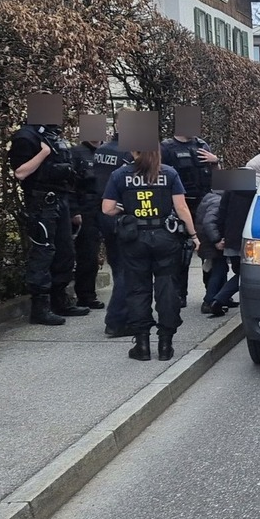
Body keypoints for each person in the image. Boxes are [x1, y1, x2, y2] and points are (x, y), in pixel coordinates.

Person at [101, 149, 200, 362]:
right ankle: (166, 345)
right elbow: (181, 207)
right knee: (167, 289)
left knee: (138, 290)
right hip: (165, 237)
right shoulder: (169, 173)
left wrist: (125, 209)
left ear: (133, 150)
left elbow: (107, 208)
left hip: (134, 239)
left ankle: (142, 345)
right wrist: (194, 235)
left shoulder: (120, 175)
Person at [7, 118, 91, 325]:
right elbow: (20, 173)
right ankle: (40, 308)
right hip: (40, 201)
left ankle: (59, 300)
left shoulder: (53, 135)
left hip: (60, 199)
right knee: (43, 252)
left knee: (65, 251)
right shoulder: (25, 137)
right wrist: (43, 153)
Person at [206, 153, 260, 316]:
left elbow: (222, 211)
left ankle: (220, 300)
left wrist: (220, 236)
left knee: (240, 272)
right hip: (251, 238)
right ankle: (218, 299)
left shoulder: (231, 183)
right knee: (245, 274)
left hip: (231, 239)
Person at [161, 131, 218, 307]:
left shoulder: (202, 145)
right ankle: (179, 294)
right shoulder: (167, 148)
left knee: (209, 252)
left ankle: (212, 295)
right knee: (180, 252)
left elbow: (216, 178)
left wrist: (215, 162)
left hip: (204, 204)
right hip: (179, 205)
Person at [93, 131, 134, 337]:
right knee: (127, 271)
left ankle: (122, 315)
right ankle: (117, 320)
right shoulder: (127, 153)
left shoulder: (101, 150)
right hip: (120, 214)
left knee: (118, 267)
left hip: (103, 213)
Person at [71, 129, 105, 309]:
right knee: (88, 255)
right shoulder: (76, 153)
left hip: (108, 207)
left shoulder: (108, 152)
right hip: (86, 209)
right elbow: (70, 184)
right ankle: (86, 295)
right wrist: (75, 211)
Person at [196, 187, 226, 314]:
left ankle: (220, 298)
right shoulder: (218, 201)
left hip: (204, 240)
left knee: (213, 270)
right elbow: (209, 222)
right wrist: (217, 240)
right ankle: (209, 301)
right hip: (211, 242)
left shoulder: (209, 197)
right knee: (219, 270)